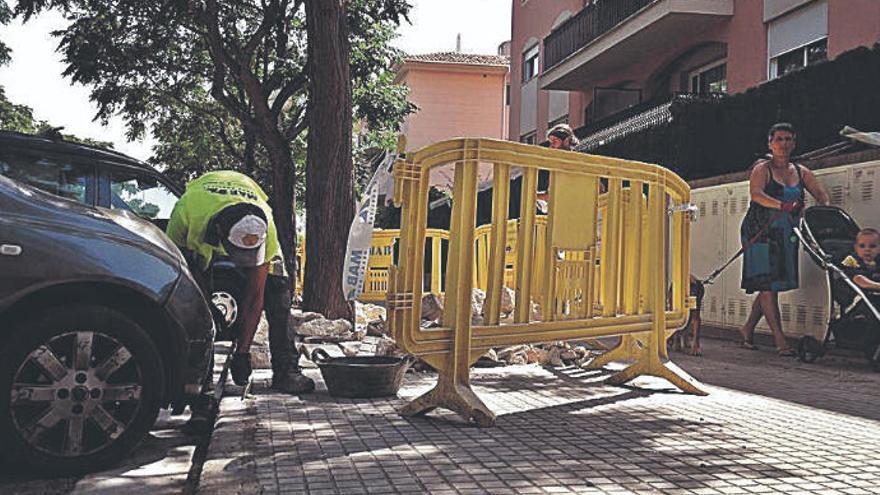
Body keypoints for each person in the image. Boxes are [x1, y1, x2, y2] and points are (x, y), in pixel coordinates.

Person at [166, 170, 315, 398]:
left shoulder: (267, 226)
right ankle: (191, 372)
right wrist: (205, 306)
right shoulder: (185, 212)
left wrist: (243, 352)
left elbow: (255, 295)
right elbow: (178, 273)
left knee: (279, 295)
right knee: (188, 301)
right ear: (219, 236)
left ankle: (287, 370)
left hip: (249, 194)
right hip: (201, 215)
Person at [739, 123, 830, 356]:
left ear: (794, 143)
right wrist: (783, 205)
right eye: (779, 139)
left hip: (786, 232)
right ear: (770, 143)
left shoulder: (801, 171)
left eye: (788, 139)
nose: (784, 143)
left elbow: (820, 194)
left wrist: (824, 211)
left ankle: (747, 328)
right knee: (768, 284)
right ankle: (780, 341)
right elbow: (757, 195)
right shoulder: (762, 168)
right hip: (760, 231)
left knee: (770, 284)